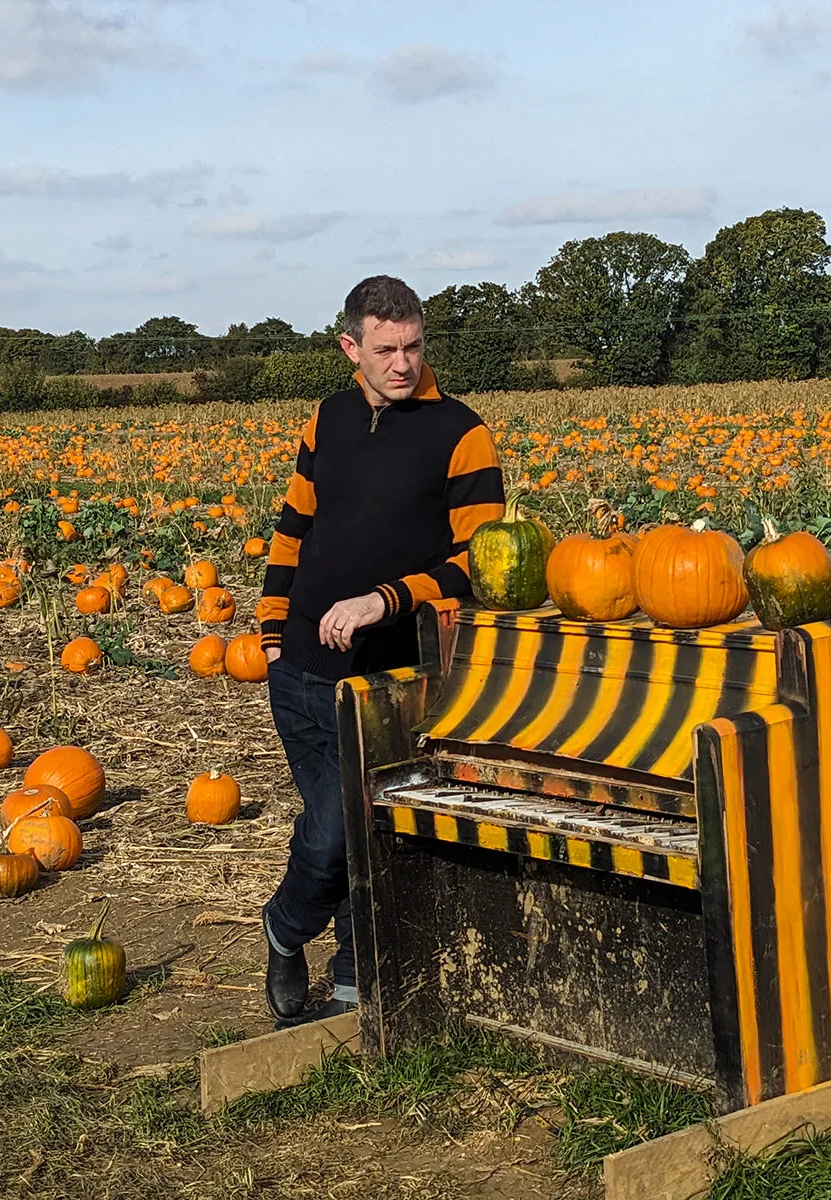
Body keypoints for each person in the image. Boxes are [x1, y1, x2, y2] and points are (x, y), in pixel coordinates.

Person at [256, 275, 505, 1027]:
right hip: (298, 670)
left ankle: (287, 929)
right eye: (385, 349)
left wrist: (385, 599)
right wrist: (270, 635)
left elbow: (478, 562)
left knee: (347, 829)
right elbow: (291, 531)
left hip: (390, 678)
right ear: (350, 348)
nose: (402, 363)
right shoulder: (327, 419)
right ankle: (350, 976)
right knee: (337, 832)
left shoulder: (460, 432)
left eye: (414, 346)